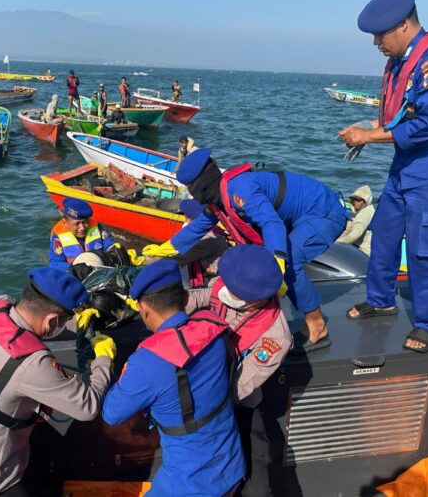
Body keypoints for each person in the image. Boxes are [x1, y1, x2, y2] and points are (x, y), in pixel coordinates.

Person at [338, 0, 428, 352]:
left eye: (380, 35)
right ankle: (380, 301)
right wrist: (369, 132)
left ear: (404, 25)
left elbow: (427, 125)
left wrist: (368, 136)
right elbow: (401, 114)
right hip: (406, 167)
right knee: (383, 234)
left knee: (425, 249)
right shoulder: (403, 59)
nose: (376, 42)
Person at [143, 149, 347, 352]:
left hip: (323, 212)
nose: (192, 194)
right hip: (297, 216)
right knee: (266, 257)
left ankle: (317, 326)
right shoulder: (218, 196)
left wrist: (277, 262)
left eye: (191, 187)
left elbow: (271, 223)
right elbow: (199, 226)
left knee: (289, 263)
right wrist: (165, 249)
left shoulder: (239, 190)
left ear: (201, 183)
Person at [0, 268, 115, 497]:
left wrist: (80, 330)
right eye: (65, 321)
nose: (65, 324)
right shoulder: (32, 364)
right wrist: (104, 358)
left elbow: (35, 329)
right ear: (53, 320)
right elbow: (87, 407)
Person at [102, 260, 245, 496]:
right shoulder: (213, 330)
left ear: (143, 309)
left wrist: (107, 362)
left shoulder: (148, 361)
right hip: (231, 467)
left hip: (189, 485)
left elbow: (112, 413)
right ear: (186, 298)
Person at [186, 244, 292, 497]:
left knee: (255, 477)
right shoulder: (229, 285)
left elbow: (242, 385)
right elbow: (202, 297)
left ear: (255, 299)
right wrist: (168, 305)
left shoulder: (275, 336)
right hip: (204, 385)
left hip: (236, 402)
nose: (224, 291)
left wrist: (199, 398)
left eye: (233, 292)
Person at [49, 197, 116, 271]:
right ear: (65, 222)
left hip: (101, 269)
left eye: (85, 222)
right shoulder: (58, 237)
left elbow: (109, 244)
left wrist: (116, 251)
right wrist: (75, 269)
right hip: (76, 275)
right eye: (77, 224)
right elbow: (55, 264)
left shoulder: (97, 226)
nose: (82, 228)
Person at [336, 185, 375, 255]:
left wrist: (336, 244)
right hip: (356, 249)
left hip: (363, 253)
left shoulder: (366, 212)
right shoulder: (356, 213)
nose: (355, 202)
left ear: (366, 201)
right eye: (354, 199)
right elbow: (348, 230)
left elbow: (356, 234)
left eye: (359, 200)